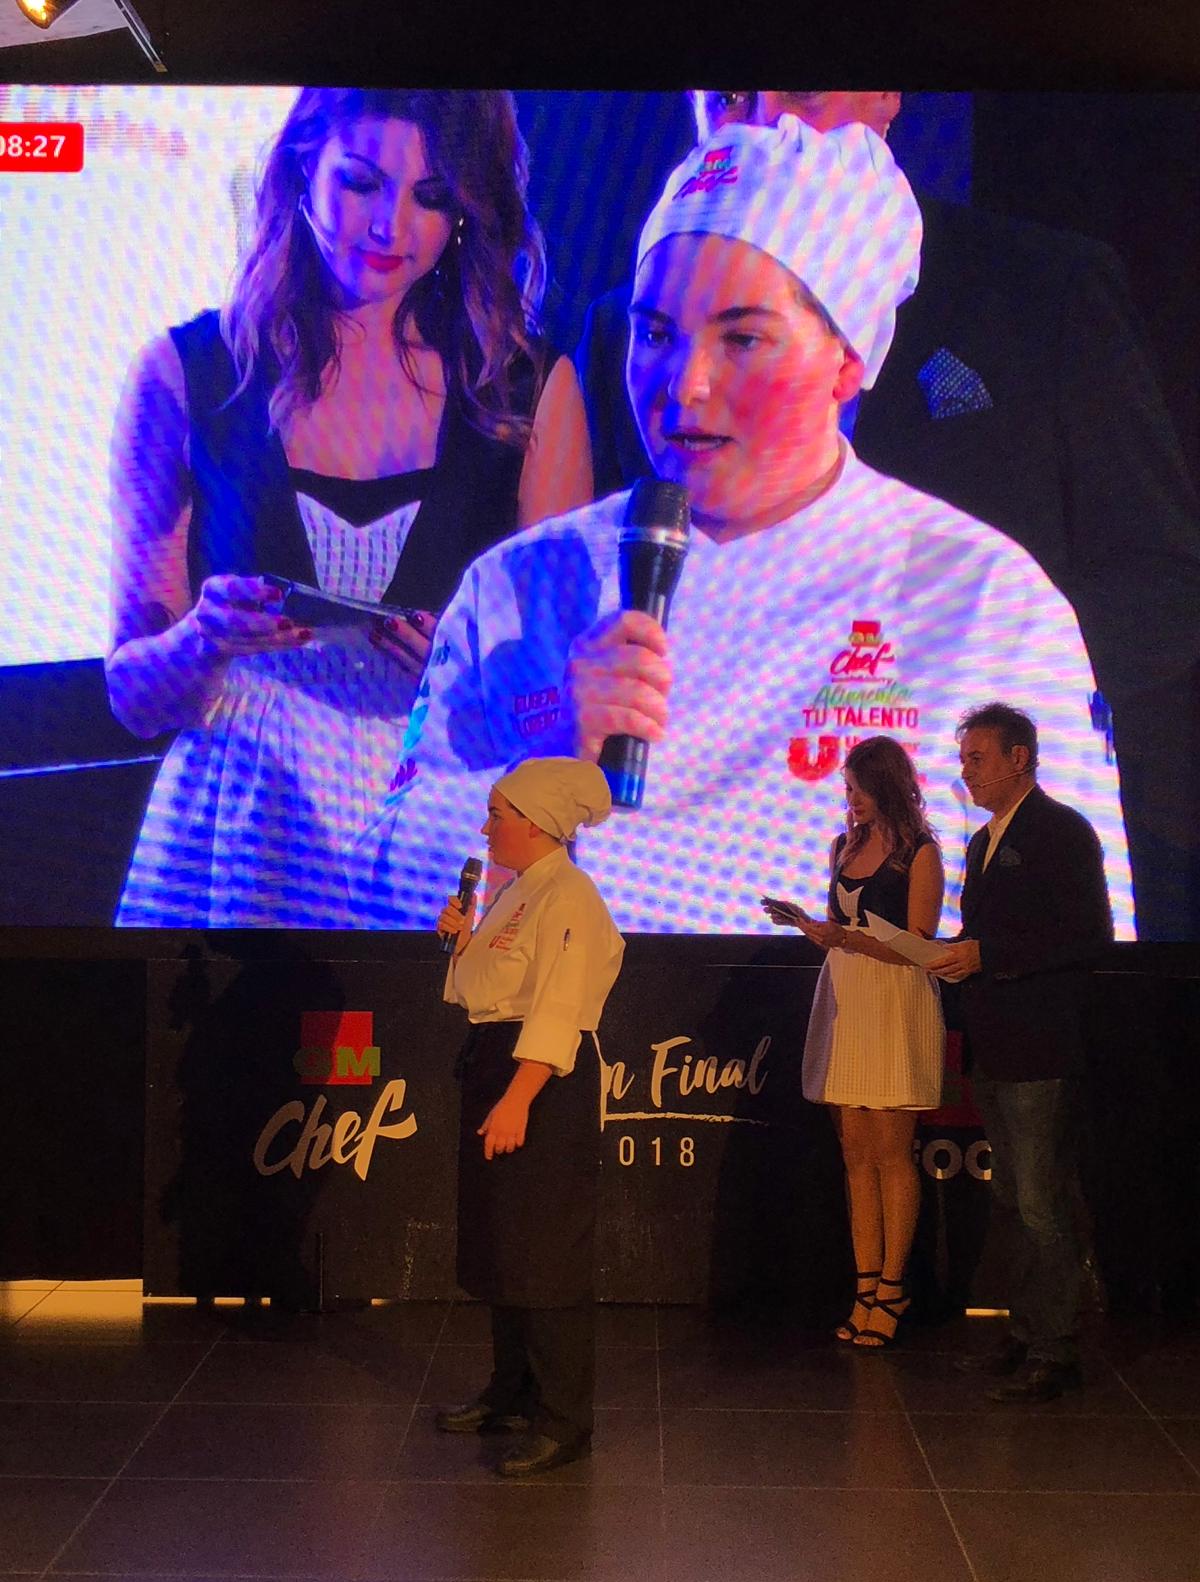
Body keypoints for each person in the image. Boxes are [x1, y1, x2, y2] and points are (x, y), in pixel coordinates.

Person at [356, 117, 1132, 944]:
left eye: (742, 339)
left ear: (846, 359)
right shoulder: (519, 584)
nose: (683, 385)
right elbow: (375, 900)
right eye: (656, 334)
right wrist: (548, 764)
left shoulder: (983, 599)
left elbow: (1074, 943)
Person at [576, 89, 1200, 940]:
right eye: (728, 99)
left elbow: (1160, 584)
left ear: (884, 99)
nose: (767, 121)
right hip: (710, 881)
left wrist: (956, 710)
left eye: (799, 91)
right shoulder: (627, 334)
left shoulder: (1038, 287)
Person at [106, 88, 593, 927]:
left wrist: (472, 681)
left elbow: (564, 702)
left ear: (467, 210)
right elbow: (131, 696)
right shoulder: (189, 371)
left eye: (431, 197)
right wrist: (201, 641)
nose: (389, 228)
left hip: (442, 833)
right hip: (239, 835)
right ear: (303, 167)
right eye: (361, 182)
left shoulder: (527, 390)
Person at [433, 756, 624, 1477]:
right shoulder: (518, 891)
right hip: (498, 1062)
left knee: (545, 1248)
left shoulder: (570, 894)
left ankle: (564, 1419)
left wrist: (519, 1097)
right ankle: (511, 1391)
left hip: (542, 1079)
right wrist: (462, 942)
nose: (486, 829)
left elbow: (560, 1004)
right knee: (504, 1242)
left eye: (497, 815)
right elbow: (480, 993)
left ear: (538, 823)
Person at [929, 703, 1113, 1401]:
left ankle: (1056, 1348)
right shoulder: (981, 841)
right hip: (995, 1043)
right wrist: (951, 958)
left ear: (1020, 758)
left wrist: (989, 955)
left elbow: (1088, 936)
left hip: (1042, 1046)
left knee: (1042, 1201)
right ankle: (1025, 1329)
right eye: (962, 760)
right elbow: (988, 935)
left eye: (977, 758)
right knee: (1010, 1197)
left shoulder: (1062, 831)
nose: (966, 773)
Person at [765, 736, 945, 1346]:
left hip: (894, 999)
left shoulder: (920, 852)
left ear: (888, 786)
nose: (851, 800)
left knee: (892, 1153)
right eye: (847, 790)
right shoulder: (843, 847)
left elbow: (919, 943)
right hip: (847, 995)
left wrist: (846, 938)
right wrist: (818, 931)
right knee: (855, 1154)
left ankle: (893, 1288)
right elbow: (843, 928)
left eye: (860, 789)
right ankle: (865, 1284)